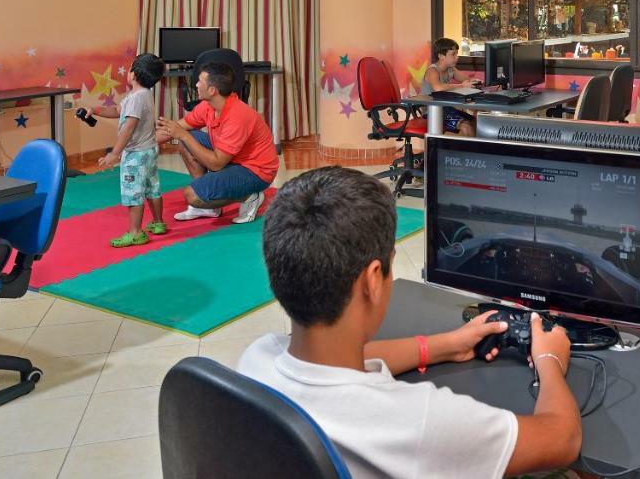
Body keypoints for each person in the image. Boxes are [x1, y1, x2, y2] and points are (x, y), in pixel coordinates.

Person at [238, 167, 582, 478]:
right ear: (373, 280)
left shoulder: (254, 361)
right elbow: (562, 439)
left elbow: (333, 363)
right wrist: (549, 359)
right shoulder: (421, 422)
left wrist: (443, 346)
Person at [155, 62, 278, 224]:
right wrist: (137, 146)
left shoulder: (238, 116)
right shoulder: (207, 106)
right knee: (189, 138)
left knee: (192, 195)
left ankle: (250, 196)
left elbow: (216, 164)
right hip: (233, 160)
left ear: (212, 90)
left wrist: (183, 135)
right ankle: (208, 205)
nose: (196, 85)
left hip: (256, 172)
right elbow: (178, 127)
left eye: (200, 81)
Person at [89, 53, 167, 248]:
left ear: (134, 74)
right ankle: (158, 223)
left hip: (136, 155)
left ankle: (135, 233)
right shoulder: (143, 94)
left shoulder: (135, 99)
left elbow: (129, 127)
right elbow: (117, 112)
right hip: (149, 150)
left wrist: (115, 153)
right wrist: (96, 110)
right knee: (152, 188)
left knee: (133, 193)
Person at [422, 37, 477, 136]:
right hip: (432, 111)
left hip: (445, 108)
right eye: (453, 54)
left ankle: (462, 150)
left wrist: (474, 82)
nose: (457, 57)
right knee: (466, 127)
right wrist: (461, 86)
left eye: (457, 53)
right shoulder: (432, 71)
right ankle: (459, 151)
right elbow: (437, 87)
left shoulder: (451, 69)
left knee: (476, 122)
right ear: (441, 56)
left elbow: (466, 80)